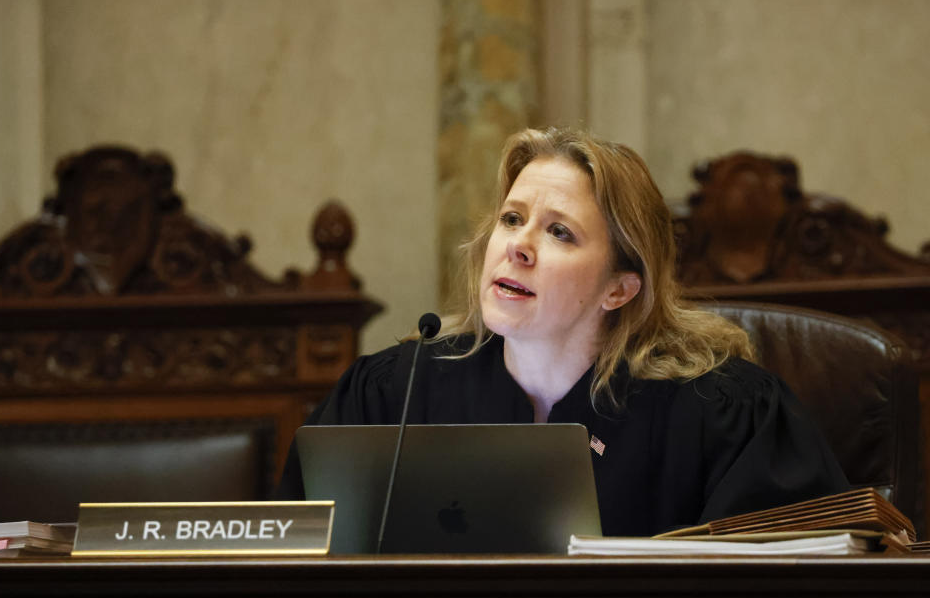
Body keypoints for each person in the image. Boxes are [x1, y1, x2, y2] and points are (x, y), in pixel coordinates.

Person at [274, 127, 849, 536]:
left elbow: (793, 589)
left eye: (560, 233)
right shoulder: (390, 395)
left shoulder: (725, 416)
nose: (518, 246)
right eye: (512, 218)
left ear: (619, 289)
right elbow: (286, 558)